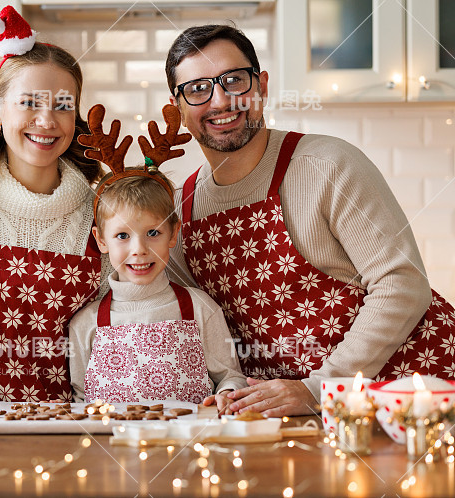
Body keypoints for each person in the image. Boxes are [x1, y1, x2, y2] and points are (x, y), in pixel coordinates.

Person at [165, 24, 455, 417]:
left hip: (409, 395)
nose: (221, 100)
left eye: (234, 80)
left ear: (261, 86)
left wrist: (319, 388)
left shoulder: (326, 164)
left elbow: (402, 284)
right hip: (290, 415)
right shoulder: (180, 210)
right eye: (198, 89)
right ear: (177, 108)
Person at [0, 5, 111, 403]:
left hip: (79, 430)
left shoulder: (102, 212)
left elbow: (119, 331)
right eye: (30, 102)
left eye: (63, 105)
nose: (47, 120)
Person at [69, 104, 246, 411]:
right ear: (101, 240)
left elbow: (231, 377)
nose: (139, 249)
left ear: (173, 234)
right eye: (123, 236)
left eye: (153, 233)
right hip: (114, 453)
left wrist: (226, 395)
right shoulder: (86, 323)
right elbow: (81, 400)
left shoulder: (199, 308)